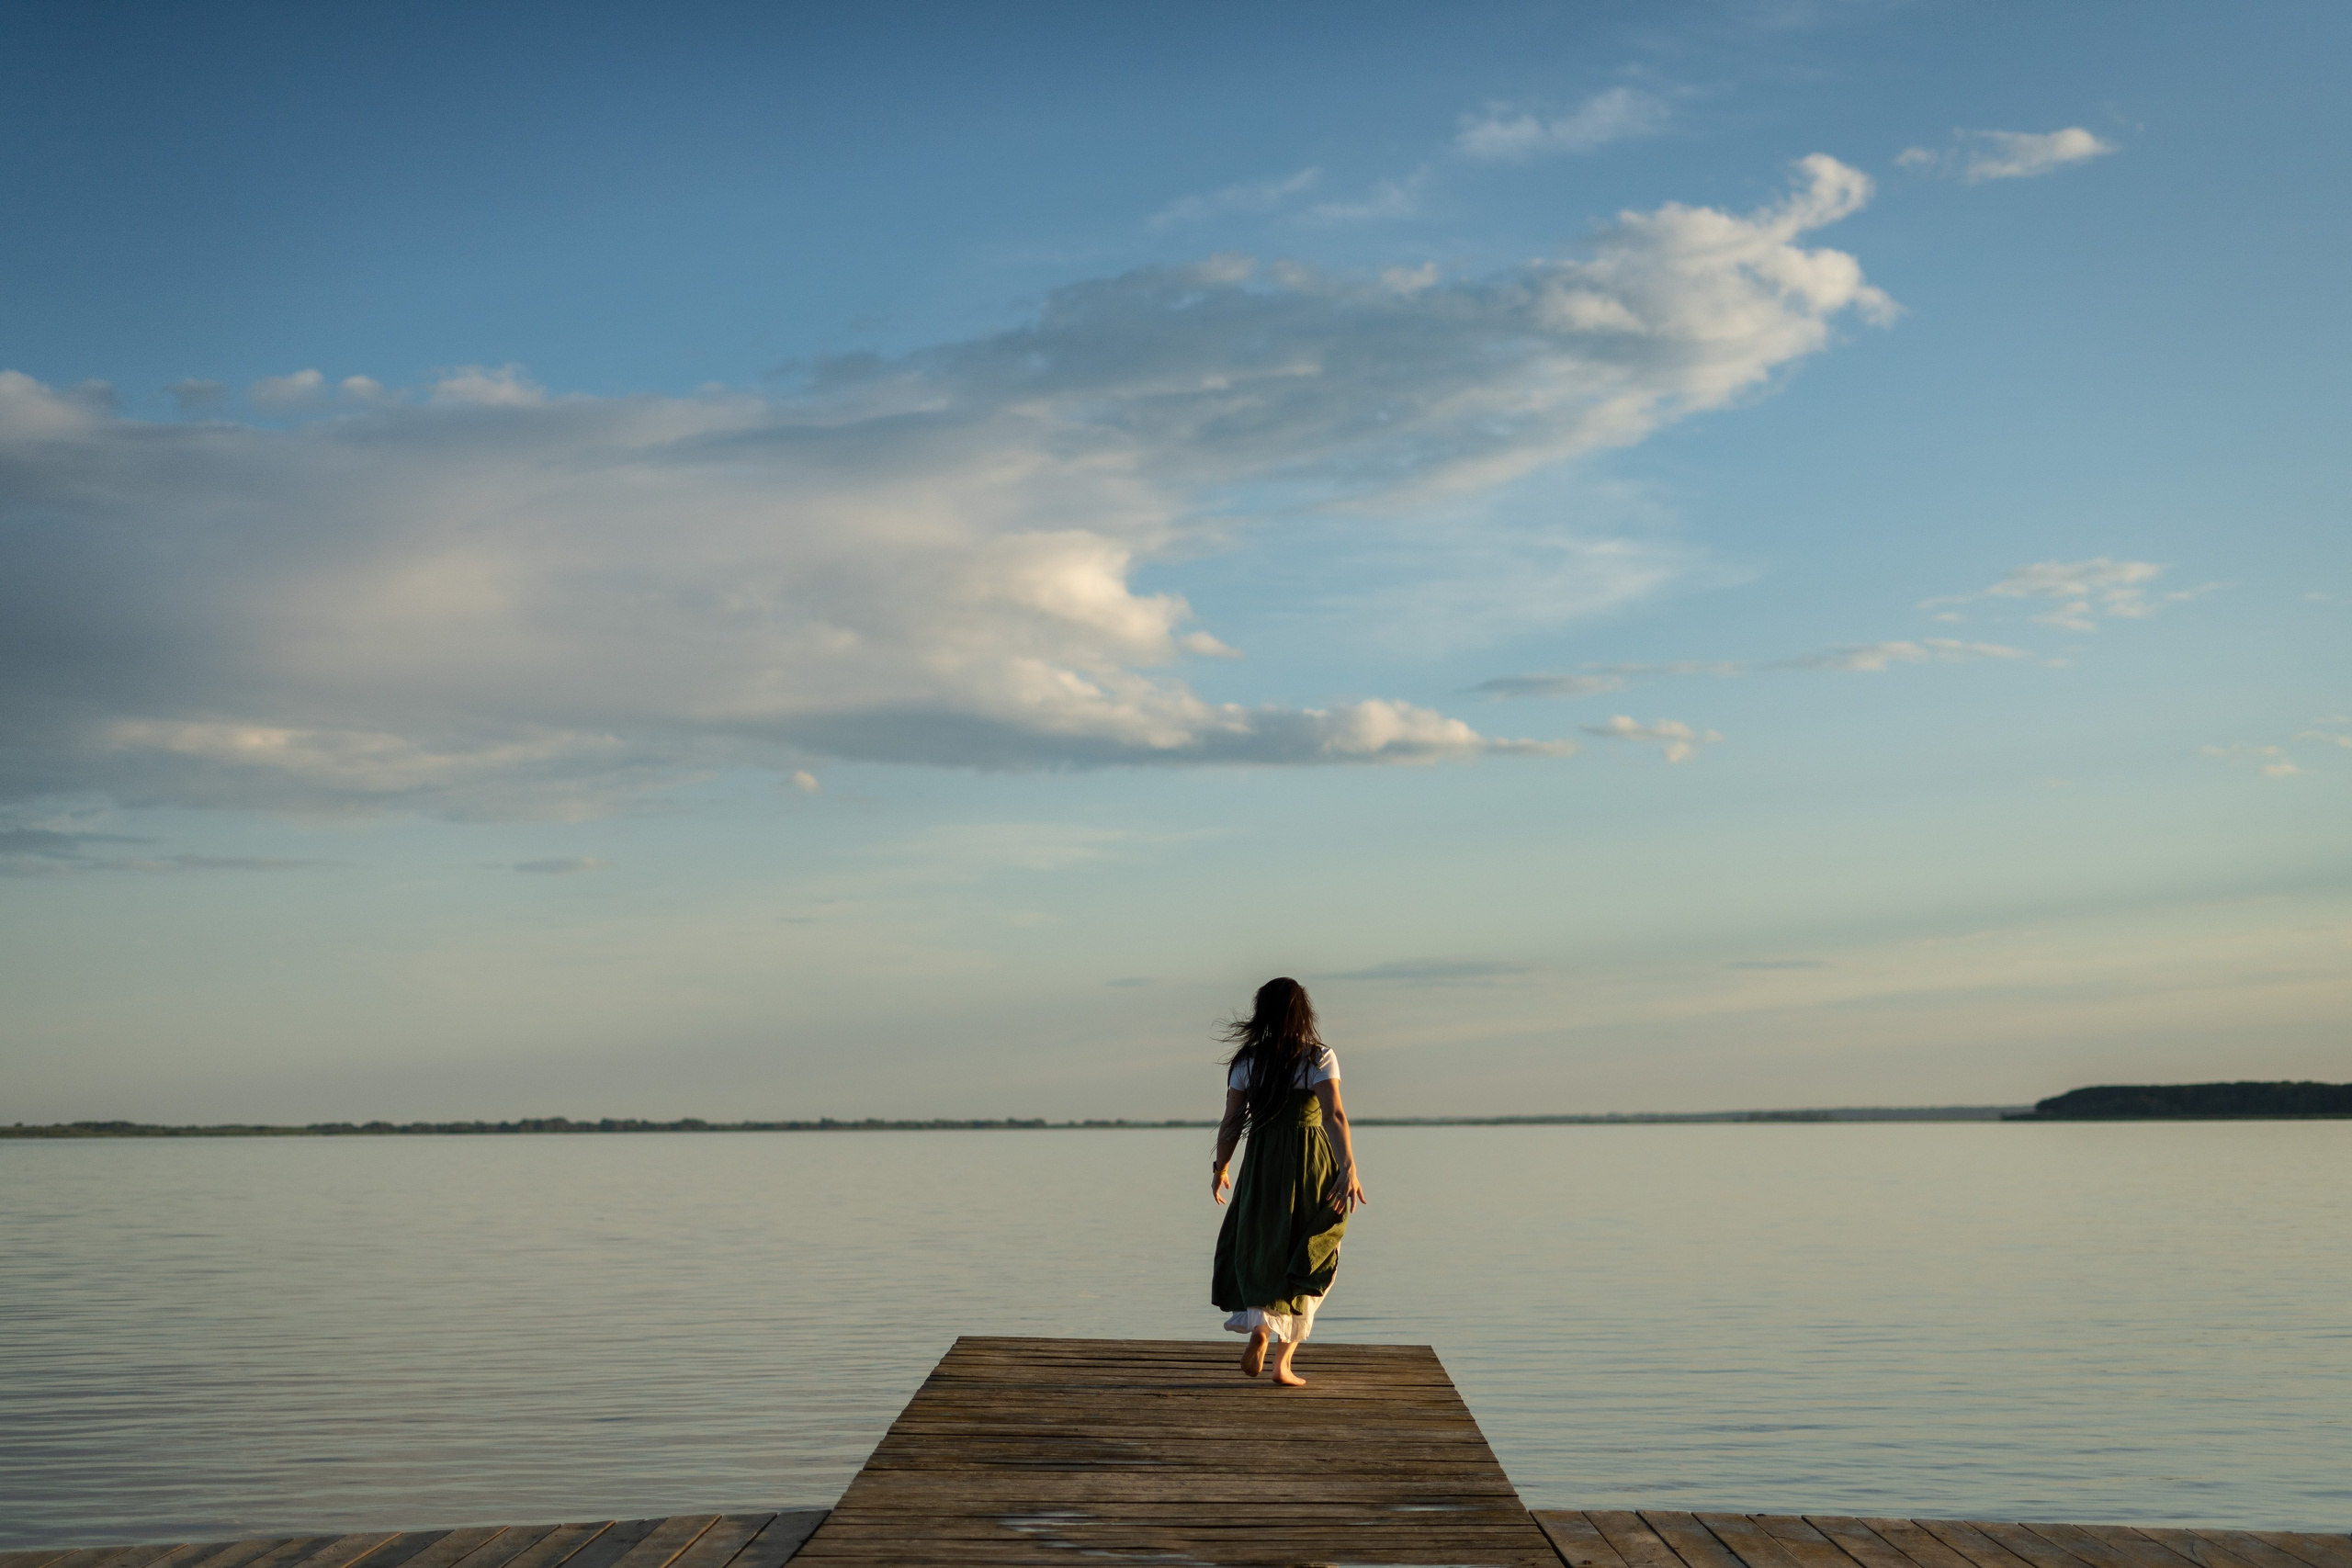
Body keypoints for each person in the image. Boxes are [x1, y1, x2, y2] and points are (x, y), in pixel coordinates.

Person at [1209, 976, 1366, 1387]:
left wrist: (1221, 1168)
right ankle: (1282, 1364)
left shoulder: (1247, 1062)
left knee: (1263, 1247)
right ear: (1303, 1012)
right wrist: (1348, 1165)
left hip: (1261, 1164)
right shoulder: (1318, 1057)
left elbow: (1230, 1121)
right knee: (1311, 1250)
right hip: (1311, 1164)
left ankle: (1261, 1328)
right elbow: (1333, 1115)